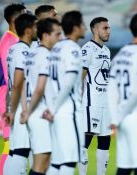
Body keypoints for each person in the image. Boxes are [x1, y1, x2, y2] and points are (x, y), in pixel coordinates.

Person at [107, 13, 137, 175]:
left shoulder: (122, 53)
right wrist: (119, 116)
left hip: (123, 120)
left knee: (125, 167)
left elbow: (111, 88)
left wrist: (116, 117)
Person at [43, 10, 86, 175]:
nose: (85, 28)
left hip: (55, 110)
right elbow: (68, 83)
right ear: (75, 28)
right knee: (69, 161)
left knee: (57, 162)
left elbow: (45, 80)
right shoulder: (73, 49)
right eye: (82, 25)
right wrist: (53, 108)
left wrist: (51, 106)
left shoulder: (55, 49)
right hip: (69, 110)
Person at [20, 18, 62, 175]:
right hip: (41, 113)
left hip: (35, 112)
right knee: (41, 163)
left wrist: (25, 109)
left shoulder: (32, 54)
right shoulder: (45, 55)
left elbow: (23, 83)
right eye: (56, 34)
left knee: (44, 164)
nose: (59, 38)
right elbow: (39, 88)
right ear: (45, 35)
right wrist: (29, 111)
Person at [5, 13, 37, 175]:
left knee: (15, 150)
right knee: (21, 151)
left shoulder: (13, 49)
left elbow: (10, 83)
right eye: (35, 26)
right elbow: (18, 84)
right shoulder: (24, 52)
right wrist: (19, 109)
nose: (38, 29)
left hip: (15, 105)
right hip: (21, 106)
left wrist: (9, 107)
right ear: (28, 30)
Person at [78, 17, 111, 175]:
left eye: (108, 28)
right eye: (105, 28)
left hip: (106, 104)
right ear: (95, 29)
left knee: (105, 141)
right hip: (91, 104)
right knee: (85, 142)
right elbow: (80, 77)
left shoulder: (106, 51)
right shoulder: (87, 49)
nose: (108, 31)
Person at [0, 3, 26, 175]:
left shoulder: (14, 40)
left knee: (17, 145)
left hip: (13, 98)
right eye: (24, 16)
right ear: (15, 20)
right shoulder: (9, 42)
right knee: (10, 145)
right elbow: (12, 78)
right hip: (9, 99)